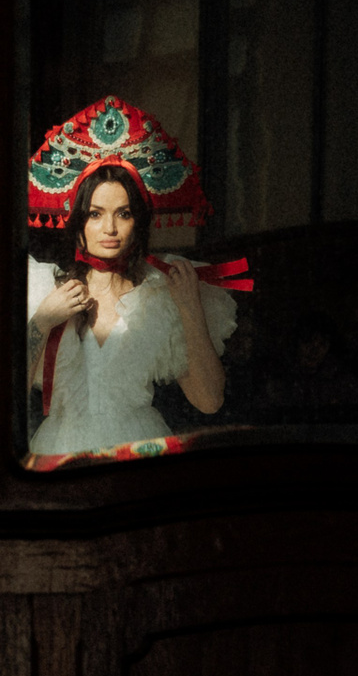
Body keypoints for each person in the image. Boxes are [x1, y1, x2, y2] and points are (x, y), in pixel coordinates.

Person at [25, 161, 237, 456]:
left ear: (138, 222)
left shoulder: (158, 296)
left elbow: (210, 401)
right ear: (77, 220)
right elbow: (5, 401)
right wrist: (42, 320)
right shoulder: (45, 290)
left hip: (137, 447)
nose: (110, 228)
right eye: (95, 214)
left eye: (123, 214)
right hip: (60, 450)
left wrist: (190, 307)